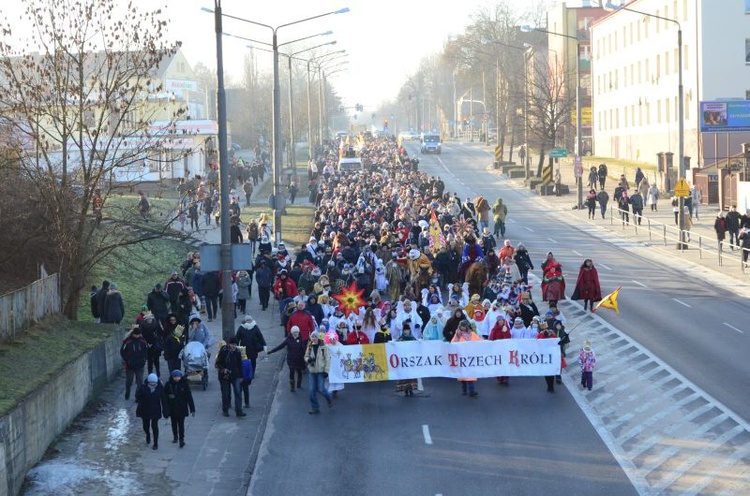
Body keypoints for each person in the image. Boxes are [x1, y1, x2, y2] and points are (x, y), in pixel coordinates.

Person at [268, 325, 306, 392]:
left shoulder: (301, 340)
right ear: (291, 333)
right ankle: (292, 387)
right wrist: (271, 351)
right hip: (291, 359)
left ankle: (299, 384)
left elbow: (305, 350)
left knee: (299, 372)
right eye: (294, 332)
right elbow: (280, 346)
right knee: (291, 372)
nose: (296, 334)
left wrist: (306, 358)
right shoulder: (288, 340)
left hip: (299, 360)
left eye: (297, 332)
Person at [135, 373, 168, 450]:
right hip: (145, 410)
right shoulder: (143, 387)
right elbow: (138, 397)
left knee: (155, 426)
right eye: (151, 382)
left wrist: (165, 411)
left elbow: (163, 400)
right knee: (145, 426)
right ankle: (148, 434)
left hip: (155, 410)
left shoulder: (160, 388)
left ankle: (155, 443)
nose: (152, 384)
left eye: (154, 382)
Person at [164, 370, 195, 448]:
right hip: (172, 408)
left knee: (181, 425)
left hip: (182, 408)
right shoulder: (168, 385)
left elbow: (189, 397)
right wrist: (165, 409)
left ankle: (181, 439)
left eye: (178, 377)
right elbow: (165, 397)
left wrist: (192, 409)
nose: (177, 378)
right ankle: (175, 436)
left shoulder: (184, 385)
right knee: (173, 423)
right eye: (175, 377)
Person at [216, 337, 246, 417]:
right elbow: (218, 363)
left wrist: (241, 376)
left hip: (235, 375)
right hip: (224, 376)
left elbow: (240, 365)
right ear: (229, 344)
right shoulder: (223, 351)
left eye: (235, 345)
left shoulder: (237, 352)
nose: (234, 346)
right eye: (232, 344)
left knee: (238, 392)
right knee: (226, 393)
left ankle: (239, 411)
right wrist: (223, 369)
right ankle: (225, 409)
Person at [304, 331, 333, 414]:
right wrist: (308, 360)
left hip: (321, 371)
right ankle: (315, 408)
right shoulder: (309, 346)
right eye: (312, 337)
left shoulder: (324, 347)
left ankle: (329, 399)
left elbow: (327, 359)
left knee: (321, 389)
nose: (313, 338)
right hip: (312, 371)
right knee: (312, 390)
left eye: (315, 337)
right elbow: (306, 356)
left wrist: (326, 371)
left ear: (318, 338)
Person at [451, 320, 481, 397]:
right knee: (463, 376)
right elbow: (453, 343)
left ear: (467, 326)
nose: (462, 327)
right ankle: (464, 390)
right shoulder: (458, 335)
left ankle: (472, 391)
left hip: (470, 358)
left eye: (464, 326)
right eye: (461, 326)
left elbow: (480, 342)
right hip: (461, 358)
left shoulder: (472, 334)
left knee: (470, 375)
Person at [235, 315, 267, 383]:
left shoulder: (255, 327)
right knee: (244, 360)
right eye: (247, 320)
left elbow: (260, 336)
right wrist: (236, 345)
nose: (249, 321)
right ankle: (245, 372)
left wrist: (264, 344)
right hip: (245, 348)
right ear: (245, 321)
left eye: (250, 320)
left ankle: (252, 373)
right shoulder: (241, 328)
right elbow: (237, 337)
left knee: (253, 360)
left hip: (253, 347)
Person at [120, 325, 148, 400]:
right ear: (133, 334)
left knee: (140, 382)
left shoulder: (143, 341)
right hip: (130, 366)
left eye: (138, 334)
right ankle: (127, 392)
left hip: (140, 365)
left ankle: (137, 396)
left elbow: (146, 351)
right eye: (136, 334)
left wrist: (144, 359)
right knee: (129, 381)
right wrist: (127, 360)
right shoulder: (128, 341)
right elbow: (122, 351)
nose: (137, 336)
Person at [396, 323, 418, 396]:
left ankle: (411, 389)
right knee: (404, 375)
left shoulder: (412, 338)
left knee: (411, 375)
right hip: (403, 359)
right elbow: (396, 347)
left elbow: (416, 346)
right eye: (405, 330)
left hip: (411, 359)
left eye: (407, 330)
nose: (406, 332)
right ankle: (405, 389)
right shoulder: (401, 338)